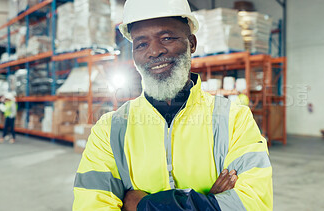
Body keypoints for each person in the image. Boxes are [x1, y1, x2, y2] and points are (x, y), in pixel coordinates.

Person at [73, 0, 273, 210]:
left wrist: (141, 205)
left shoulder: (234, 120)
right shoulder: (109, 131)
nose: (154, 51)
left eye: (167, 38)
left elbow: (254, 203)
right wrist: (209, 202)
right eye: (142, 44)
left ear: (192, 43)